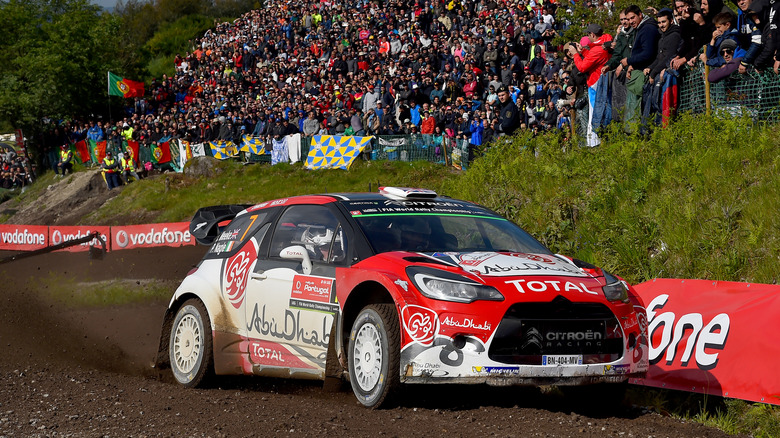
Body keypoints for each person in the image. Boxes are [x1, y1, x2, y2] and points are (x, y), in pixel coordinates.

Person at [568, 23, 613, 147]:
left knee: (595, 116)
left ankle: (594, 144)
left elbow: (582, 67)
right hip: (600, 83)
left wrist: (575, 54)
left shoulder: (598, 50)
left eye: (588, 34)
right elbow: (593, 57)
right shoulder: (602, 46)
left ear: (592, 35)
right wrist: (582, 50)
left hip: (596, 84)